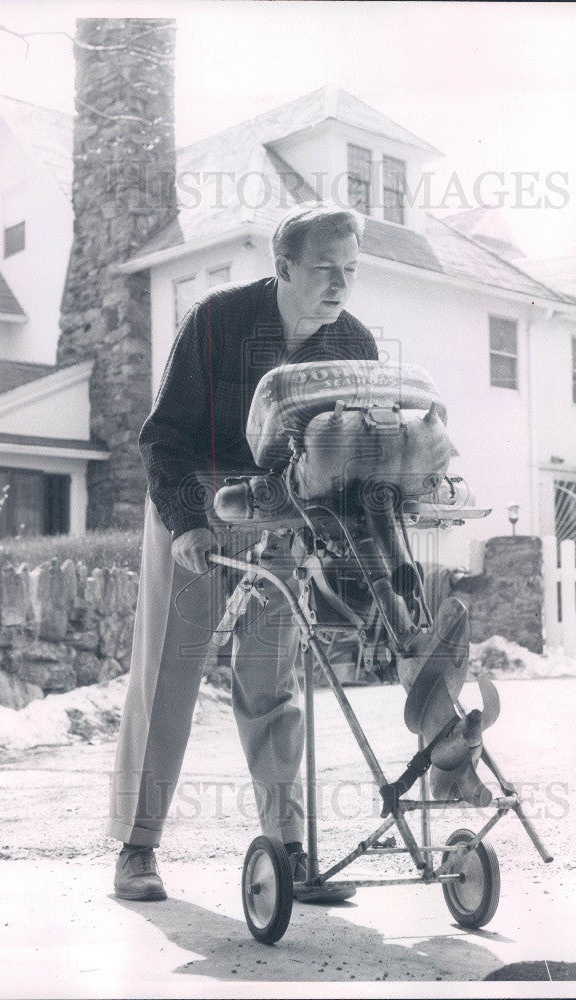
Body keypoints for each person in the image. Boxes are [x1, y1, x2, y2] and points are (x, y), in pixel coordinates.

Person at [108, 202, 378, 902]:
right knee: (171, 669)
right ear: (283, 266)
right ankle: (137, 849)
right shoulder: (218, 319)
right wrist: (186, 522)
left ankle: (288, 850)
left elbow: (349, 451)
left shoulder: (353, 343)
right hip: (194, 501)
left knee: (271, 678)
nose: (338, 284)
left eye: (349, 270)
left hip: (282, 511)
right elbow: (163, 436)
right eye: (324, 269)